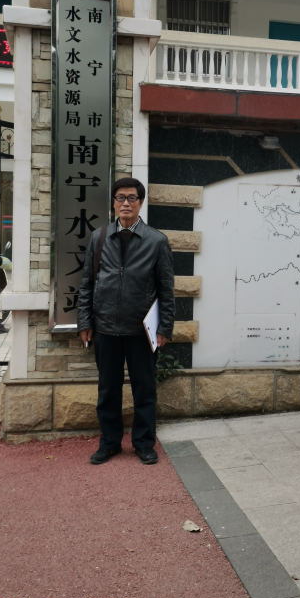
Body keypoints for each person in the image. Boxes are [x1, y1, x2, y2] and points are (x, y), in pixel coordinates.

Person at [77, 177, 175, 465]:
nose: (126, 203)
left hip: (141, 330)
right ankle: (110, 443)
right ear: (113, 202)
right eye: (120, 197)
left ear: (140, 203)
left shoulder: (156, 241)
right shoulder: (99, 237)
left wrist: (165, 327)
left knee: (144, 389)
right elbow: (87, 283)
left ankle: (144, 443)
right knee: (108, 390)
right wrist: (85, 322)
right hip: (105, 328)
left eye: (132, 198)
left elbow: (166, 289)